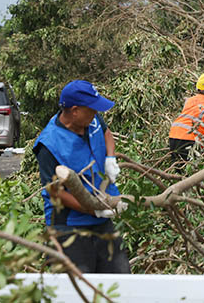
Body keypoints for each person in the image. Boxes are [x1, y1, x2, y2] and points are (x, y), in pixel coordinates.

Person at [34, 80, 129, 274]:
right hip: (70, 226)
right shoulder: (49, 144)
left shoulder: (92, 120)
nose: (96, 113)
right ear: (75, 110)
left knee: (120, 279)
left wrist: (110, 158)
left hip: (103, 218)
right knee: (78, 285)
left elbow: (106, 133)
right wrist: (92, 209)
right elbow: (55, 193)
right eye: (92, 110)